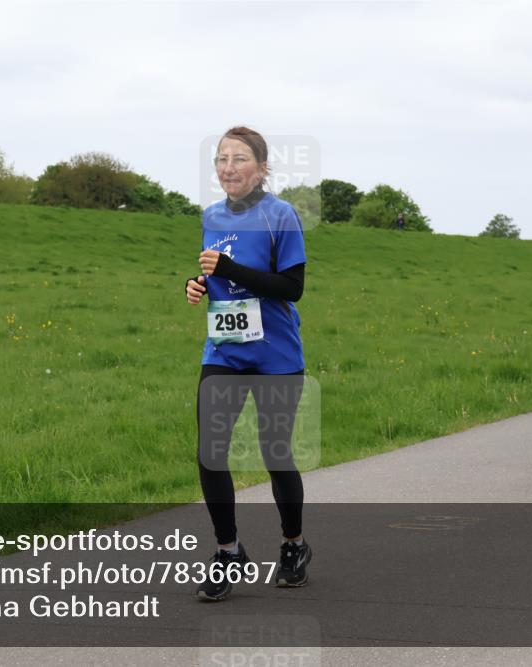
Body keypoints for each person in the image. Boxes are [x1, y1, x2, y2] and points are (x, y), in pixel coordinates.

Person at [185, 126, 310, 601]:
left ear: (261, 167)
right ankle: (228, 551)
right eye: (221, 159)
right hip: (224, 350)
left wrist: (229, 270)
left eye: (239, 159)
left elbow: (292, 287)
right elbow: (216, 275)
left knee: (275, 451)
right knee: (210, 451)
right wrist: (196, 284)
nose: (228, 167)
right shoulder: (211, 216)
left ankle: (294, 545)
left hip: (275, 355)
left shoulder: (281, 215)